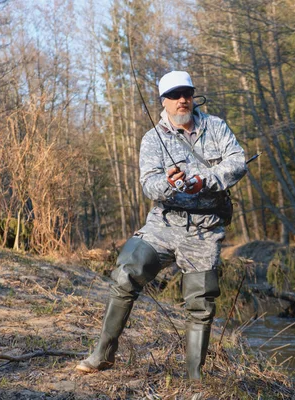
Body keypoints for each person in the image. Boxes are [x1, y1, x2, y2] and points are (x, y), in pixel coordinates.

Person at [76, 70, 247, 380]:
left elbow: (237, 162)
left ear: (194, 96)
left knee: (200, 303)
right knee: (126, 273)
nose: (183, 100)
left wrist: (202, 181)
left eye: (187, 93)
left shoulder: (217, 126)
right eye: (175, 95)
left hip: (205, 229)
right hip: (163, 224)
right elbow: (148, 185)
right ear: (163, 101)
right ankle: (103, 354)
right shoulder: (152, 138)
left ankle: (195, 379)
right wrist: (170, 185)